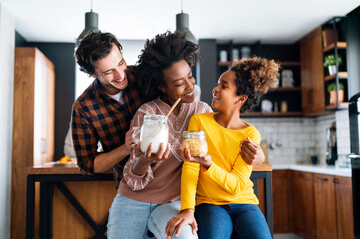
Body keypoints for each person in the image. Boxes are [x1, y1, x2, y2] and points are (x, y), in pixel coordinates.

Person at [108, 32, 266, 239]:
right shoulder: (148, 114)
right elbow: (131, 174)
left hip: (174, 202)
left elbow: (220, 147)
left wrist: (259, 157)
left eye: (190, 76)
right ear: (162, 87)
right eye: (179, 83)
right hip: (134, 199)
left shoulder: (202, 112)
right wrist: (144, 161)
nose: (190, 86)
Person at [165, 57, 279, 239]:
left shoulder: (250, 134)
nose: (215, 89)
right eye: (218, 84)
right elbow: (191, 168)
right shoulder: (200, 121)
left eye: (224, 86)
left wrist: (209, 166)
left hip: (245, 203)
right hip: (210, 204)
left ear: (241, 98)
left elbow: (237, 186)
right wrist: (187, 210)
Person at [71, 31, 145, 188]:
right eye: (108, 72)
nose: (120, 75)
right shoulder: (83, 108)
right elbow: (87, 165)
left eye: (121, 63)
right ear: (92, 74)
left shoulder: (144, 77)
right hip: (128, 187)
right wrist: (125, 148)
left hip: (169, 181)